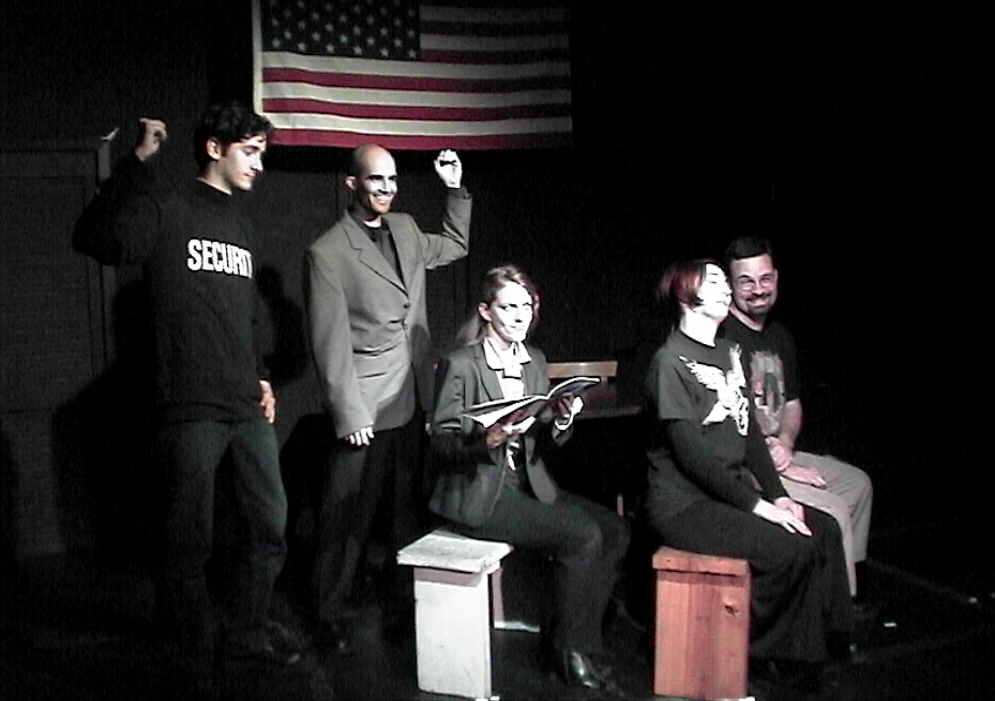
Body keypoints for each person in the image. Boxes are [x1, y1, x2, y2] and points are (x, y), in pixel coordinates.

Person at [72, 105, 298, 685]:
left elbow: (245, 314)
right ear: (215, 148)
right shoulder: (168, 206)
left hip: (244, 405)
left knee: (270, 526)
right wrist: (135, 163)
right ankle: (189, 650)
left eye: (263, 153)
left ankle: (247, 632)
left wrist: (261, 375)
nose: (259, 164)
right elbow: (95, 237)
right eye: (250, 151)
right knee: (187, 541)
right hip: (189, 406)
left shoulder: (242, 225)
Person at [645, 259, 851, 679]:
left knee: (825, 530)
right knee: (790, 548)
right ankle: (766, 650)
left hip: (728, 492)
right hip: (685, 505)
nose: (727, 289)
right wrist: (760, 508)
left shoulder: (726, 352)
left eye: (725, 281)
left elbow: (751, 435)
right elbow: (694, 459)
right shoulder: (670, 362)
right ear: (687, 296)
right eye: (715, 282)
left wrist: (779, 496)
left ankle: (828, 643)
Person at [428, 265, 630, 692]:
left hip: (529, 483)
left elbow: (545, 439)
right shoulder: (461, 364)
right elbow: (441, 443)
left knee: (615, 531)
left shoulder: (533, 359)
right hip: (481, 491)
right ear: (486, 311)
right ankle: (569, 652)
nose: (521, 316)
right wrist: (487, 439)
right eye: (508, 307)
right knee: (582, 536)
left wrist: (562, 419)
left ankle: (579, 641)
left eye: (526, 306)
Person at [305, 144, 470, 653]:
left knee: (404, 511)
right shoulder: (328, 251)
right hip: (365, 407)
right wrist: (349, 412)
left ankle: (404, 606)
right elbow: (329, 341)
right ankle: (326, 611)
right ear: (352, 184)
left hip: (411, 395)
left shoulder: (405, 229)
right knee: (347, 516)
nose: (387, 189)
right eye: (376, 180)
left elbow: (455, 245)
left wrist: (453, 189)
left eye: (393, 180)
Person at [721, 237, 873, 598]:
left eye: (765, 279)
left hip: (779, 453)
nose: (758, 290)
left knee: (857, 485)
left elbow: (791, 404)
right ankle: (837, 610)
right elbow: (727, 419)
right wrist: (779, 465)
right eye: (746, 281)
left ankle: (845, 589)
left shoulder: (780, 336)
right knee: (834, 511)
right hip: (746, 462)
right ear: (731, 285)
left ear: (776, 278)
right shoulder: (722, 336)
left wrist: (786, 445)